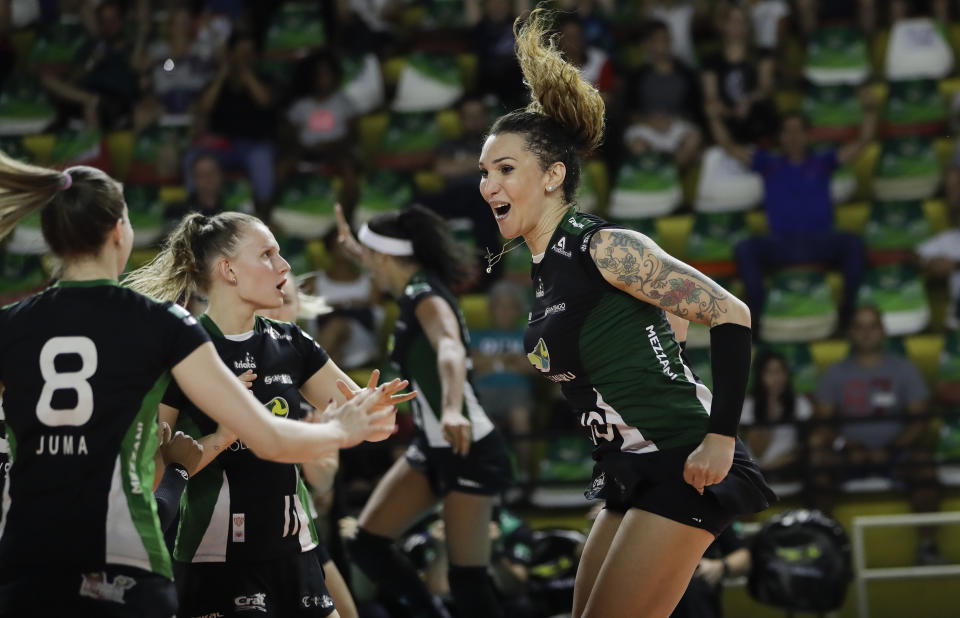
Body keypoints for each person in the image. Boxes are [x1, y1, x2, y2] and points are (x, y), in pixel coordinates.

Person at [0, 155, 401, 617]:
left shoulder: (11, 327)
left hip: (28, 561)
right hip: (128, 558)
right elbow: (268, 437)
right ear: (119, 232)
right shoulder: (161, 325)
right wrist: (340, 431)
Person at [477, 9, 775, 617]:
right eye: (485, 172)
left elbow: (731, 312)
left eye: (506, 170)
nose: (489, 185)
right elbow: (667, 326)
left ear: (554, 176)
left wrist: (719, 439)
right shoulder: (544, 268)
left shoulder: (603, 245)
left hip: (683, 457)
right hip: (627, 467)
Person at [124, 212, 412, 618]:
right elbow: (153, 473)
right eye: (267, 254)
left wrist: (376, 413)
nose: (285, 265)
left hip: (295, 550)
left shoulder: (292, 342)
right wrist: (224, 436)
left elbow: (372, 427)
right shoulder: (183, 348)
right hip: (217, 557)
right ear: (228, 270)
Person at [335, 203, 513, 618]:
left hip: (466, 443)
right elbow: (383, 265)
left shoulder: (426, 297)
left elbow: (449, 348)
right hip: (431, 446)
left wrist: (452, 408)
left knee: (468, 580)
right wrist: (354, 248)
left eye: (369, 259)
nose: (368, 269)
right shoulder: (412, 286)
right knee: (366, 544)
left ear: (384, 257)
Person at [710, 100, 877, 333]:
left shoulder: (823, 162)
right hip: (781, 243)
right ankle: (754, 317)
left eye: (798, 130)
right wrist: (715, 118)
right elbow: (728, 146)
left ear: (808, 135)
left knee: (853, 244)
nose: (793, 136)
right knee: (745, 248)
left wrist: (869, 111)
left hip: (820, 241)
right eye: (787, 131)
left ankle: (848, 313)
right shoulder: (768, 163)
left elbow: (863, 142)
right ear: (780, 136)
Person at [812, 305, 940, 564]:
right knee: (816, 466)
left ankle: (927, 546)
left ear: (882, 331)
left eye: (872, 326)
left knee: (925, 468)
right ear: (850, 332)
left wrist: (891, 449)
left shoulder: (904, 369)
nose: (867, 333)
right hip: (849, 454)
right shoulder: (835, 373)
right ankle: (824, 547)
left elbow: (920, 422)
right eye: (860, 326)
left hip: (897, 453)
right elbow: (822, 426)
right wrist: (845, 445)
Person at [740, 351, 814, 478]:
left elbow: (808, 444)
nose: (776, 378)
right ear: (760, 376)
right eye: (770, 372)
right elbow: (758, 452)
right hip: (755, 472)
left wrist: (782, 462)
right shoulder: (748, 405)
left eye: (780, 371)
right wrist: (770, 410)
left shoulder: (800, 403)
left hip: (790, 468)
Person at [670, 522, 751, 618]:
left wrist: (719, 566)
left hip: (698, 586)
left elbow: (744, 556)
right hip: (662, 583)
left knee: (693, 588)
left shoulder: (710, 514)